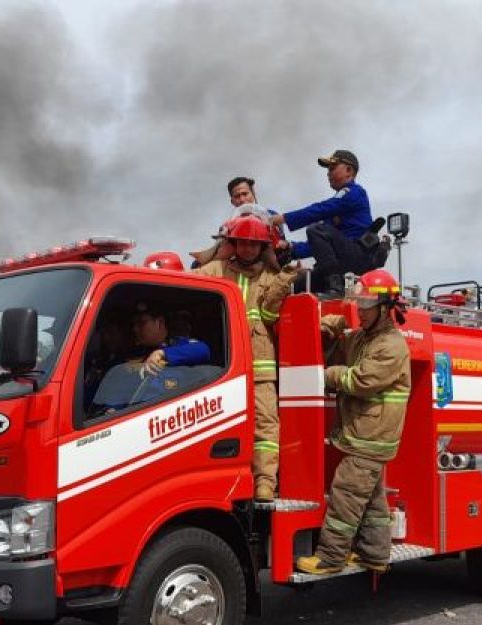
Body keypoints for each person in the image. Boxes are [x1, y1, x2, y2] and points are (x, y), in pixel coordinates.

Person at [295, 269, 411, 574]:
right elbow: (338, 351)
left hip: (371, 436)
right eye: (358, 303)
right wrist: (329, 331)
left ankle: (330, 558)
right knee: (371, 500)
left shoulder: (392, 346)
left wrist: (327, 376)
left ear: (385, 308)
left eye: (366, 305)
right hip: (364, 434)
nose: (360, 310)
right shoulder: (364, 337)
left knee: (346, 494)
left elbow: (360, 380)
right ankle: (374, 554)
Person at [194, 215, 299, 502]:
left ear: (263, 246)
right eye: (243, 243)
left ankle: (265, 482)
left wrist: (284, 279)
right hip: (224, 367)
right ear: (233, 243)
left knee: (265, 425)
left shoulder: (271, 277)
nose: (249, 249)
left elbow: (268, 315)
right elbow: (188, 284)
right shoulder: (216, 269)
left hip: (260, 366)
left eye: (255, 244)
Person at [270, 149, 373, 295]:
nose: (328, 173)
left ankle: (335, 285)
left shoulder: (354, 193)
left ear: (349, 170)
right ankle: (333, 283)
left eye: (332, 168)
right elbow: (319, 247)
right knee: (294, 288)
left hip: (356, 255)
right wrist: (291, 248)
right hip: (340, 262)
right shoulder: (337, 206)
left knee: (316, 229)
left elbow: (319, 210)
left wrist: (284, 218)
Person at [92, 302, 211, 412]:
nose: (135, 329)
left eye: (141, 323)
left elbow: (203, 350)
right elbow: (123, 390)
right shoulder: (133, 355)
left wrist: (163, 354)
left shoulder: (178, 347)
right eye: (134, 324)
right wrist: (111, 409)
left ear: (159, 322)